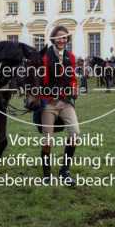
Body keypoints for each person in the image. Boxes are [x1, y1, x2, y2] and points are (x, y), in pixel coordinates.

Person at [37, 25, 79, 186]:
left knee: (75, 134)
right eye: (59, 37)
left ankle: (64, 171)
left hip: (66, 102)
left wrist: (74, 89)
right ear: (53, 39)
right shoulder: (45, 57)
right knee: (48, 140)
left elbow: (73, 78)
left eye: (65, 37)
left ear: (67, 40)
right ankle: (47, 174)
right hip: (49, 103)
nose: (62, 40)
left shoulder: (71, 57)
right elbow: (38, 79)